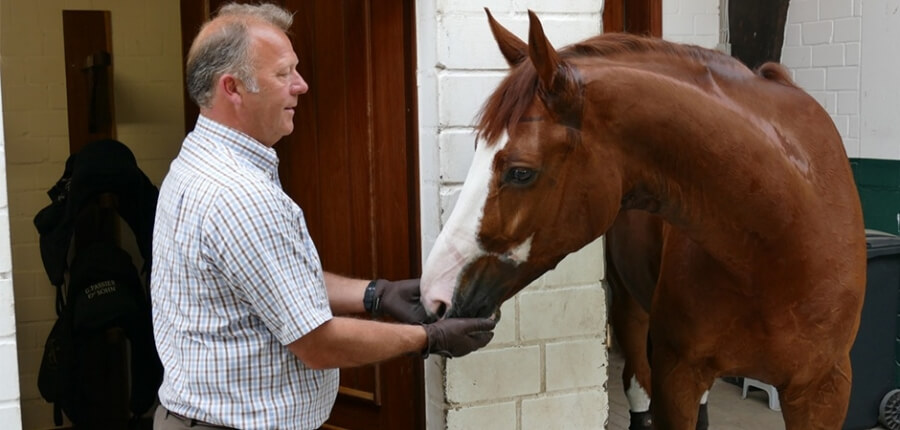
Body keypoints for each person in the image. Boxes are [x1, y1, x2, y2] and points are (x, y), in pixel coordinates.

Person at [150, 3, 496, 429]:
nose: (302, 85)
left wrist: (376, 294)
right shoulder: (240, 195)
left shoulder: (198, 161)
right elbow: (317, 343)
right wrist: (430, 338)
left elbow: (274, 285)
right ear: (233, 88)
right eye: (283, 74)